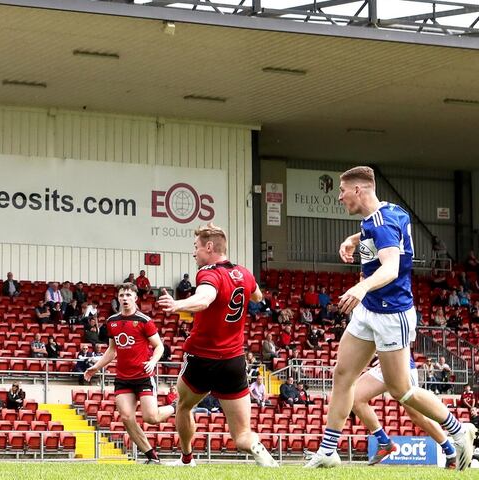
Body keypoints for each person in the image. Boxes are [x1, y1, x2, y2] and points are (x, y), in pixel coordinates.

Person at [305, 166, 475, 470]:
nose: (340, 197)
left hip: (391, 315)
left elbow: (390, 268)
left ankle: (457, 430)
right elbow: (380, 228)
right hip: (369, 311)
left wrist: (360, 286)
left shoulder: (381, 223)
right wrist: (353, 239)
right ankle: (328, 451)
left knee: (402, 391)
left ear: (359, 190)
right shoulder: (390, 212)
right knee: (342, 375)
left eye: (342, 191)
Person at [157, 223, 277, 467]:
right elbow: (258, 297)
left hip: (202, 358)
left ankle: (187, 459)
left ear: (209, 247)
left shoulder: (209, 273)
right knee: (242, 435)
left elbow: (205, 297)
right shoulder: (244, 273)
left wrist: (178, 305)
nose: (194, 253)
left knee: (183, 405)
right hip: (233, 360)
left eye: (196, 247)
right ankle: (258, 449)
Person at [84, 283, 176, 464]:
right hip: (123, 378)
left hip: (143, 376)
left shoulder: (144, 321)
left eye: (128, 295)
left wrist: (152, 362)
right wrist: (96, 367)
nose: (125, 298)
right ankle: (152, 457)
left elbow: (159, 346)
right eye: (121, 295)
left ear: (135, 298)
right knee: (126, 417)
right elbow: (112, 350)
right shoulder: (112, 321)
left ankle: (176, 406)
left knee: (152, 418)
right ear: (118, 298)